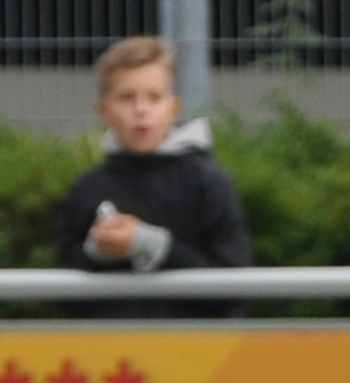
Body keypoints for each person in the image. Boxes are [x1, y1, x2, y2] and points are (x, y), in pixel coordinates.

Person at [53, 39, 253, 277]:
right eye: (126, 97)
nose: (141, 110)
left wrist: (154, 246)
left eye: (154, 97)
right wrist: (97, 253)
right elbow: (64, 283)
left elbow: (235, 279)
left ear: (173, 109)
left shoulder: (207, 182)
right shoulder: (87, 189)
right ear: (103, 111)